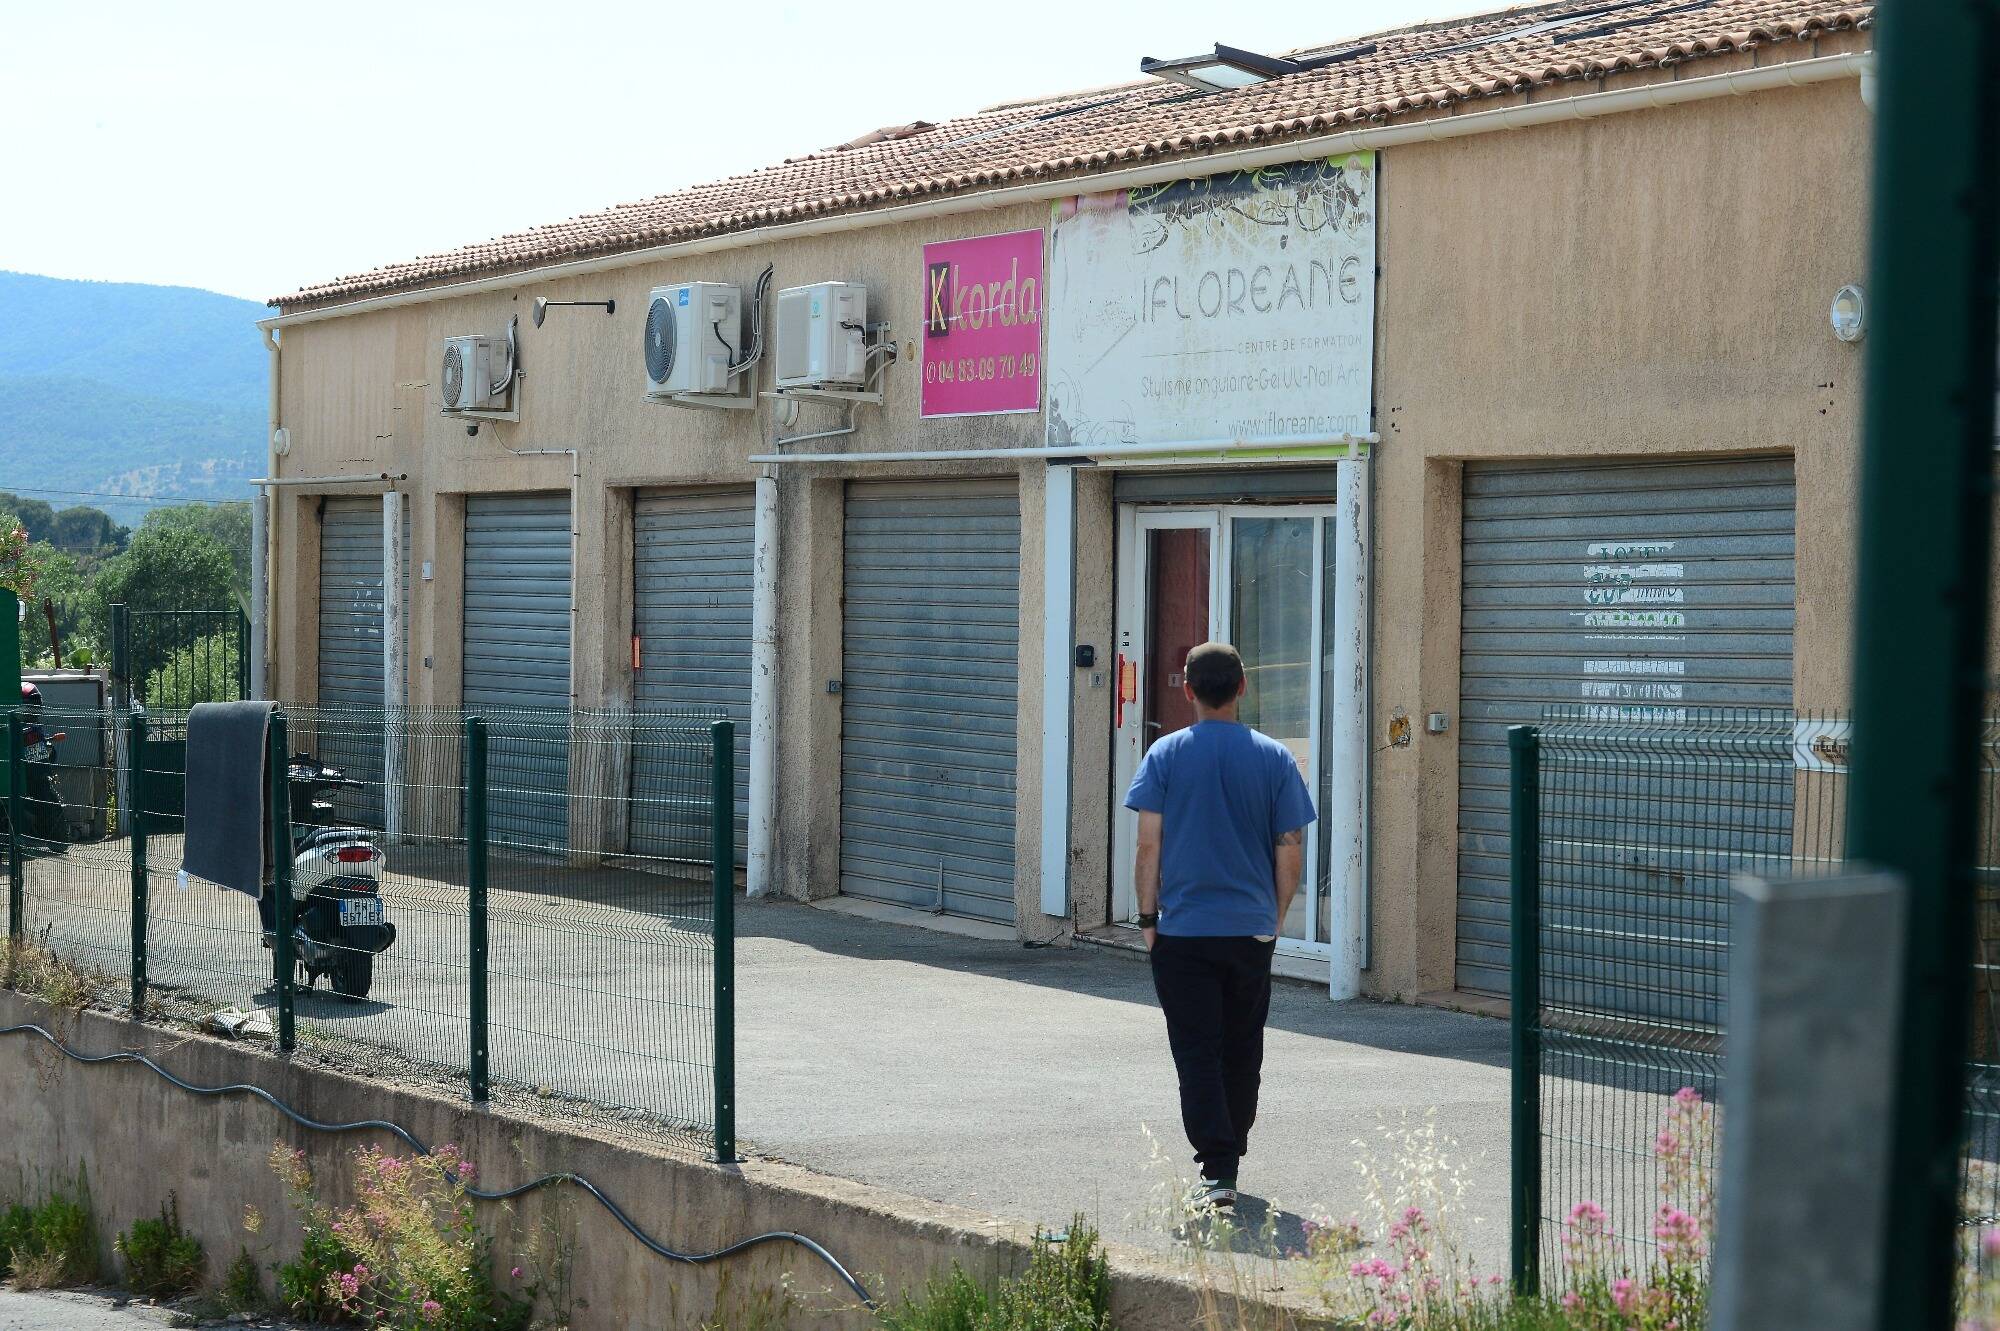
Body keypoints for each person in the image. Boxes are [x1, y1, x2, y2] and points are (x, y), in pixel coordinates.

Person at [1124, 641, 1316, 1210]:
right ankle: (1231, 1153)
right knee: (1242, 1044)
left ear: (1188, 690)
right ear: (1242, 688)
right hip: (1249, 930)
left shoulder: (1165, 754)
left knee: (1196, 1048)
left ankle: (1218, 1167)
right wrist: (1274, 918)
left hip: (1183, 931)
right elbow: (1290, 848)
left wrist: (1147, 918)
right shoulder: (1275, 758)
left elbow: (1148, 845)